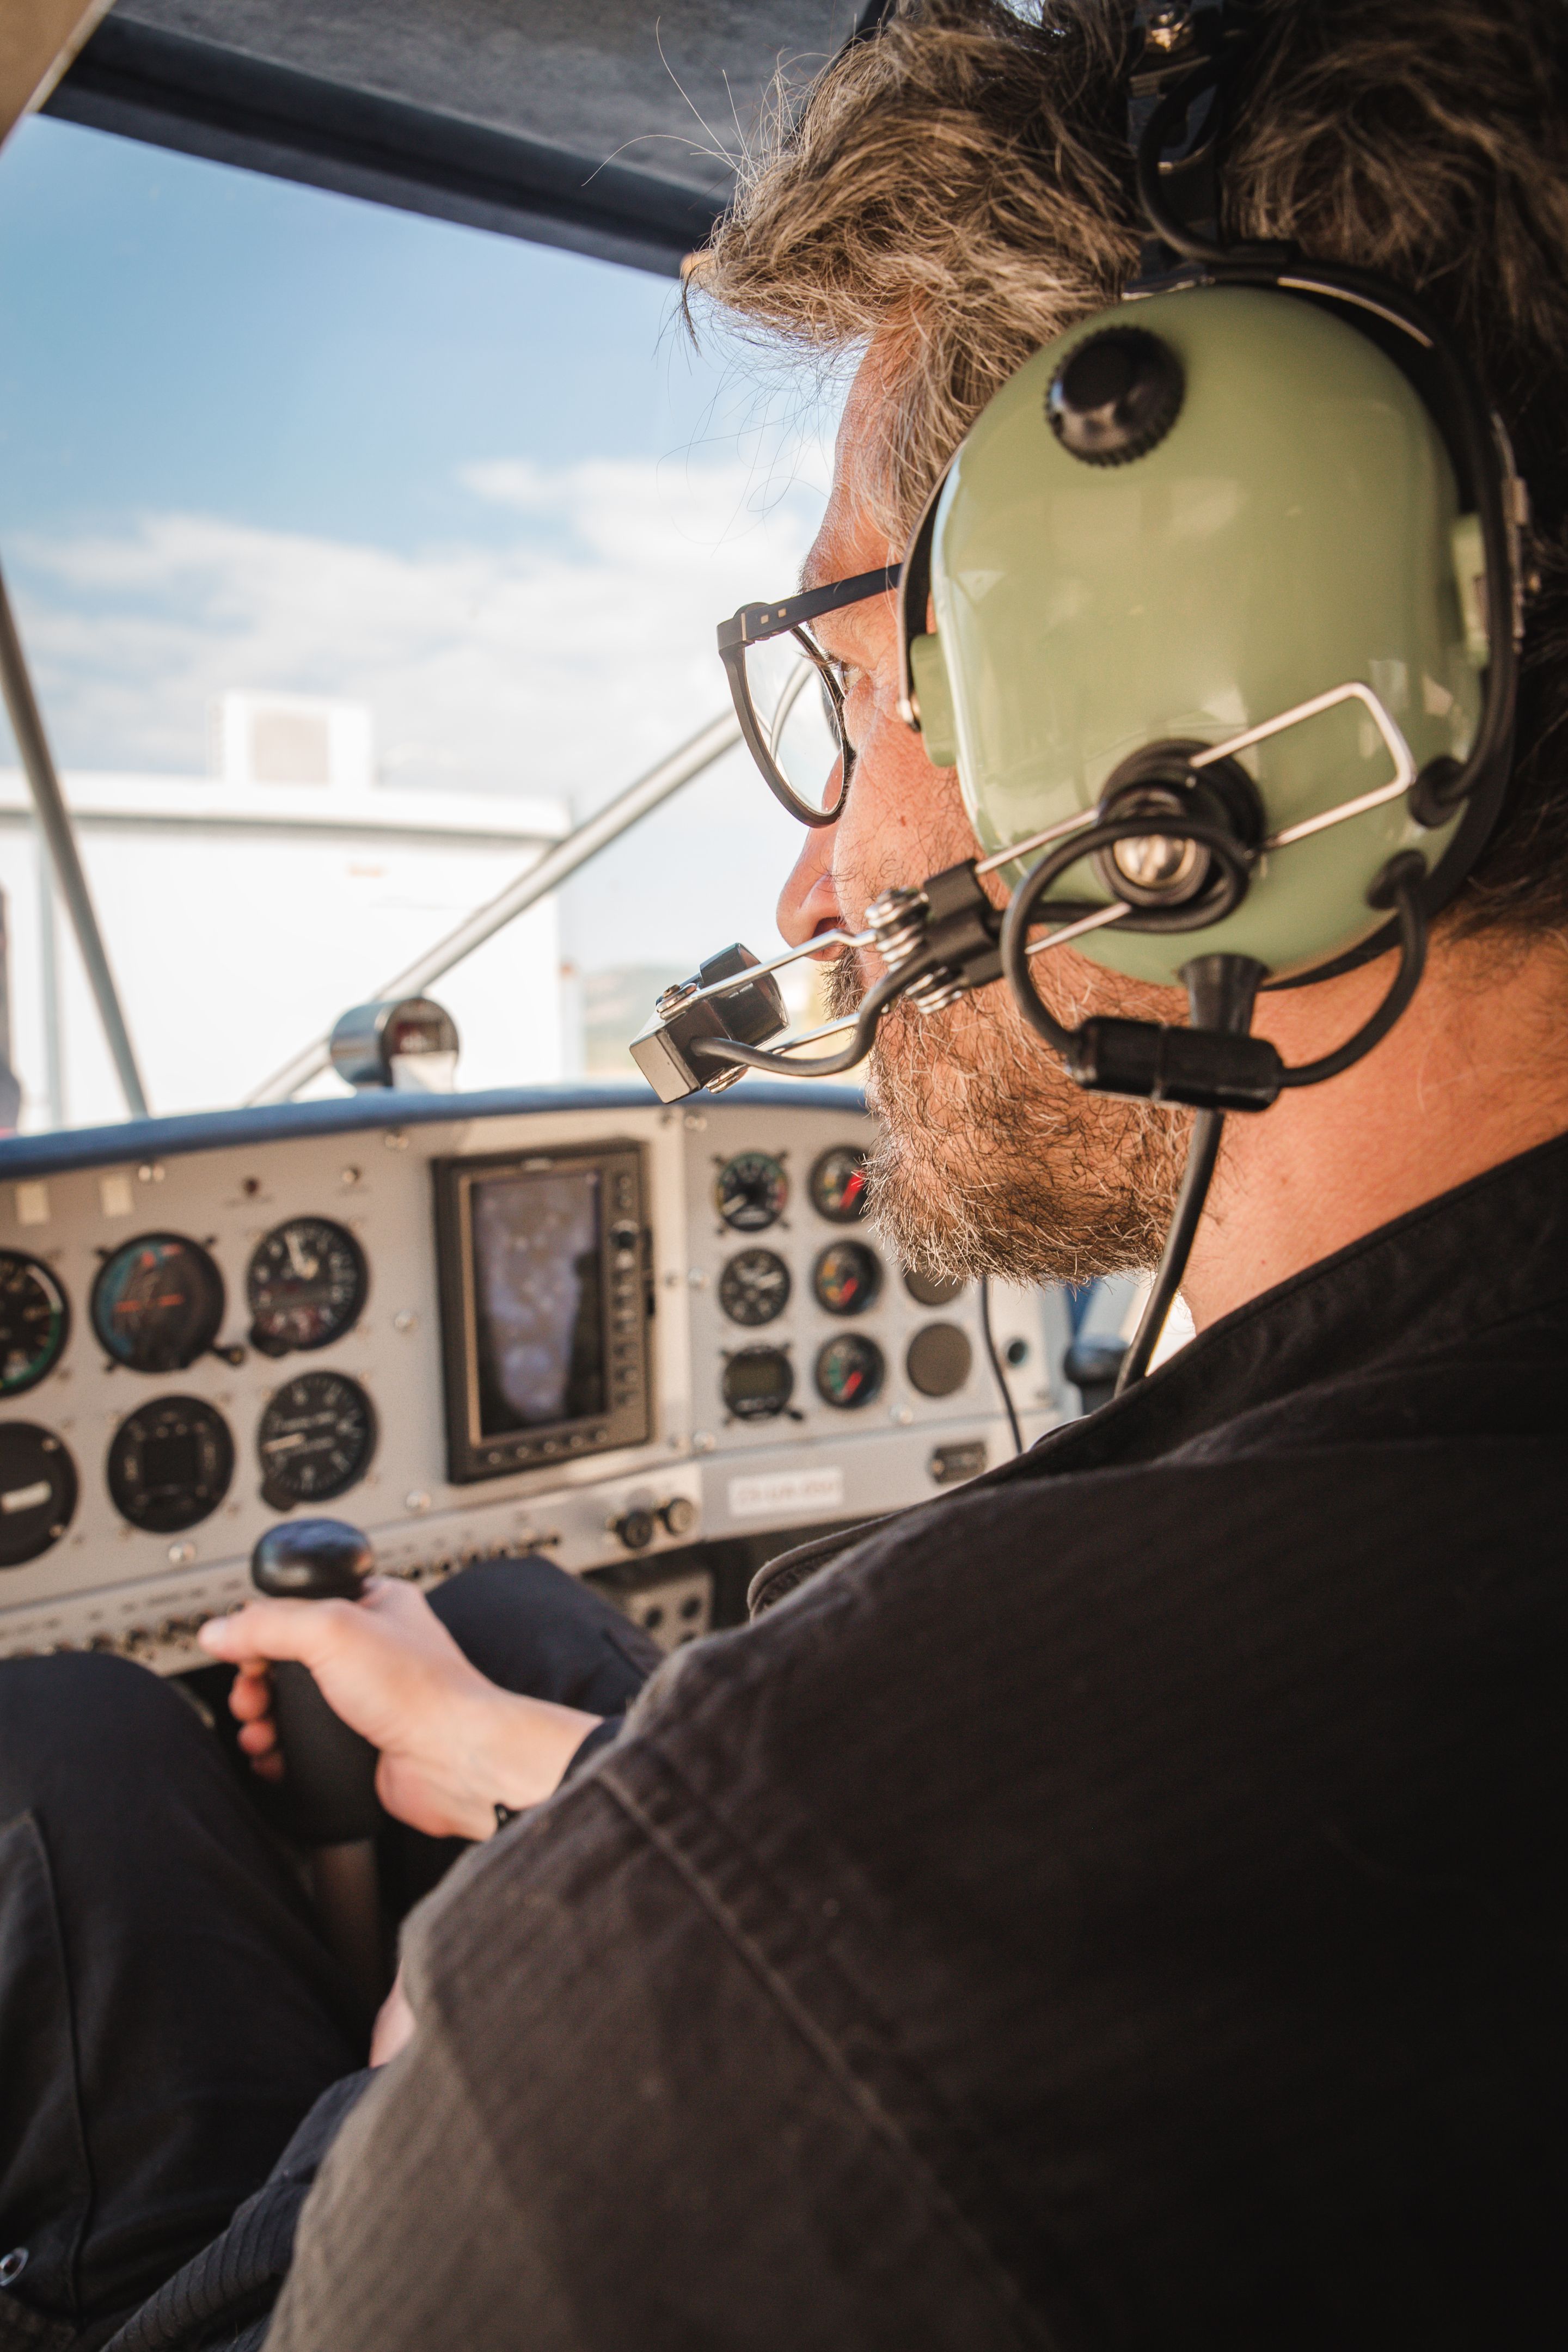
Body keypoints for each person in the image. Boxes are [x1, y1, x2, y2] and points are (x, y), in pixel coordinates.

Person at [5, 1, 1568, 2343]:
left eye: (849, 701)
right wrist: (553, 1769)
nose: (814, 893)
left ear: (1196, 708)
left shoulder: (782, 1993)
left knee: (65, 1764)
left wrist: (523, 2018)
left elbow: (803, 1977)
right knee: (535, 1625)